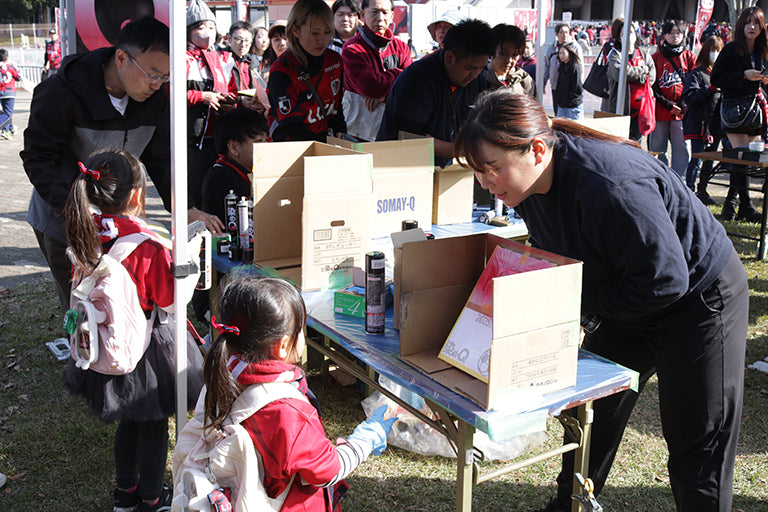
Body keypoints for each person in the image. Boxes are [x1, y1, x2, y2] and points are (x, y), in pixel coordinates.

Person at [454, 89, 747, 512]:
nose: (485, 184)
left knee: (697, 437)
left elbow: (666, 280)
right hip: (628, 293)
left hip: (699, 300)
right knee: (592, 415)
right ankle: (570, 505)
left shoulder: (611, 184)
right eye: (478, 173)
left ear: (537, 150)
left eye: (493, 169)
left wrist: (571, 299)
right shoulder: (526, 188)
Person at [21, 17, 223, 318]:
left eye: (165, 77)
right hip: (63, 217)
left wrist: (184, 208)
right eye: (152, 74)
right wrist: (75, 209)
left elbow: (160, 159)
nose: (157, 85)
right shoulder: (61, 92)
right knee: (83, 308)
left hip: (120, 219)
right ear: (121, 58)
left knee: (123, 303)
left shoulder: (154, 100)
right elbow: (38, 158)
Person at [62, 150, 204, 512]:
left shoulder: (86, 232)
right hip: (145, 349)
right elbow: (170, 299)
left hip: (104, 343)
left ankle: (125, 494)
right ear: (138, 196)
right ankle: (153, 498)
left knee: (128, 420)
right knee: (153, 426)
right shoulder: (146, 245)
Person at [201, 275, 396, 511]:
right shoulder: (286, 412)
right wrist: (366, 439)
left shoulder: (224, 373)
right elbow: (328, 471)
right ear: (284, 345)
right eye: (302, 330)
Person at [376, 19, 495, 167]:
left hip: (447, 168)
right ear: (449, 57)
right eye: (470, 68)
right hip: (401, 166)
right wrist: (463, 151)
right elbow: (410, 138)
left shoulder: (478, 80)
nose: (475, 75)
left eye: (480, 68)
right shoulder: (417, 80)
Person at [711, 6, 768, 223]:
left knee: (747, 158)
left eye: (756, 23)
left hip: (756, 110)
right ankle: (744, 205)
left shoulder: (764, 51)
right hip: (733, 110)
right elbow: (716, 79)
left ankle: (732, 203)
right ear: (740, 25)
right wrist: (743, 75)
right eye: (747, 22)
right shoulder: (731, 49)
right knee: (741, 156)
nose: (751, 27)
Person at [267, 0, 346, 142]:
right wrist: (324, 145)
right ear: (295, 30)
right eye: (314, 33)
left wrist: (340, 130)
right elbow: (291, 126)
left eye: (327, 32)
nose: (321, 39)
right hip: (293, 146)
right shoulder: (282, 70)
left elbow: (338, 106)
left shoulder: (335, 60)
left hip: (326, 142)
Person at [186, 0, 236, 210]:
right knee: (195, 192)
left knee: (215, 192)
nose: (208, 32)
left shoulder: (221, 59)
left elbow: (230, 90)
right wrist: (201, 96)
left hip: (217, 138)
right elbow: (168, 94)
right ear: (188, 32)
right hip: (192, 141)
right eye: (201, 27)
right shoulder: (183, 59)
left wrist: (235, 101)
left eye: (211, 27)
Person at [341, 0, 412, 141]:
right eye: (374, 12)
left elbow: (410, 85)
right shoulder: (352, 49)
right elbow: (371, 87)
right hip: (360, 133)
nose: (380, 18)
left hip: (394, 131)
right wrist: (399, 73)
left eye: (385, 12)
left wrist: (383, 95)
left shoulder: (401, 47)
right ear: (362, 15)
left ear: (392, 16)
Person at [202, 108, 268, 223]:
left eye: (266, 140)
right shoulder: (223, 178)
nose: (266, 146)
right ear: (234, 147)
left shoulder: (241, 170)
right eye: (259, 141)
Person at [650, 20, 696, 179]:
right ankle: (659, 178)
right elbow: (652, 85)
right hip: (660, 110)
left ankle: (679, 181)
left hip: (682, 111)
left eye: (678, 32)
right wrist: (668, 104)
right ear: (664, 35)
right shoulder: (655, 58)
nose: (675, 36)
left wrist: (682, 104)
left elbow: (694, 81)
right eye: (671, 32)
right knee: (657, 148)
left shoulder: (689, 56)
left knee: (682, 148)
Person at [682, 35, 724, 204]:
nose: (716, 54)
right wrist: (710, 89)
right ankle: (689, 192)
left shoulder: (721, 75)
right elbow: (689, 97)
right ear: (706, 51)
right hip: (698, 123)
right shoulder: (696, 74)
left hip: (715, 124)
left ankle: (703, 190)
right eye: (713, 50)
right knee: (697, 159)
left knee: (710, 160)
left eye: (719, 51)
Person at [606, 18, 656, 141]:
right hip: (620, 109)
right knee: (619, 143)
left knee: (635, 144)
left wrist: (632, 75)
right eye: (624, 33)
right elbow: (619, 74)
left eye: (631, 32)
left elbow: (651, 77)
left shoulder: (644, 54)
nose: (628, 36)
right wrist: (642, 70)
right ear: (619, 37)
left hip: (641, 109)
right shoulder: (615, 54)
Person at [542, 23, 584, 116]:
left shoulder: (575, 47)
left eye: (566, 32)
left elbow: (580, 68)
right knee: (558, 114)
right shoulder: (552, 48)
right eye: (561, 32)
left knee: (571, 117)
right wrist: (543, 84)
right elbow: (547, 67)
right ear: (556, 34)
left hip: (570, 89)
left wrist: (578, 91)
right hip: (556, 88)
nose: (564, 35)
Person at [482, 24, 535, 97]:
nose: (509, 60)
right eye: (503, 54)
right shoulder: (477, 79)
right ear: (491, 52)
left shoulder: (524, 80)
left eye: (515, 55)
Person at [553, 42, 583, 120]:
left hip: (573, 105)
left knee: (575, 126)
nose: (561, 55)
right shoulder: (562, 66)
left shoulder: (574, 67)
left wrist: (572, 99)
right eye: (560, 53)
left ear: (569, 53)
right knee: (560, 126)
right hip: (562, 104)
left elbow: (577, 86)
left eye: (563, 53)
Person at [0, 48, 21, 139]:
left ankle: (11, 128)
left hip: (0, 92)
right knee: (8, 112)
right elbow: (18, 77)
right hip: (9, 92)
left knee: (5, 111)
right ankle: (5, 130)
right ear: (7, 58)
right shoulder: (10, 67)